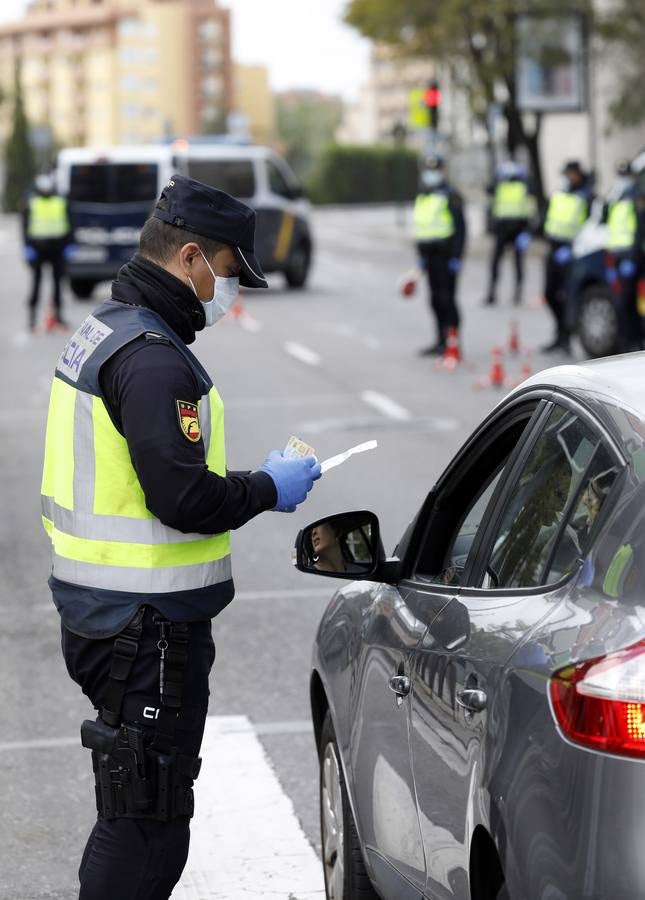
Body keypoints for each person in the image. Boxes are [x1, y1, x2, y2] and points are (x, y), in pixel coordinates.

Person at [40, 174, 322, 899]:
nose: (229, 291)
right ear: (192, 258)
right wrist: (267, 487)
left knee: (139, 808)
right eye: (229, 272)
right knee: (145, 825)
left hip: (107, 615)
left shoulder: (110, 326)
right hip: (145, 629)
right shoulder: (152, 357)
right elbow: (183, 497)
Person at [413, 155, 466, 356]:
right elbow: (421, 227)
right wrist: (420, 257)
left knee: (447, 300)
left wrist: (457, 257)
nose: (431, 173)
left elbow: (461, 229)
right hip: (429, 257)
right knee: (434, 300)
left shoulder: (450, 195)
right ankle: (440, 340)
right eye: (428, 169)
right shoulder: (423, 195)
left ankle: (453, 342)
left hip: (446, 256)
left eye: (435, 170)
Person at [541, 160, 592, 353]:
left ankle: (566, 337)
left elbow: (590, 226)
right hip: (554, 249)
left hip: (573, 252)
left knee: (567, 296)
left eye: (570, 174)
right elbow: (547, 218)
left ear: (578, 174)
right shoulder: (559, 195)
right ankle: (560, 334)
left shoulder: (586, 196)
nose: (567, 178)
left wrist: (572, 248)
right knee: (549, 294)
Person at [603, 159, 645, 351]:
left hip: (631, 257)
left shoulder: (637, 198)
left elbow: (639, 230)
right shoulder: (616, 198)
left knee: (628, 303)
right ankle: (627, 343)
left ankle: (631, 343)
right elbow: (608, 225)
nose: (623, 179)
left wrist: (633, 257)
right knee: (622, 303)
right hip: (616, 257)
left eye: (626, 176)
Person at [23, 172, 71, 332]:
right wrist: (27, 246)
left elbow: (69, 223)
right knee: (36, 283)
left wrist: (69, 244)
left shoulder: (60, 201)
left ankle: (58, 316)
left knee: (58, 284)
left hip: (57, 248)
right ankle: (32, 317)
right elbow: (24, 226)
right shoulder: (32, 202)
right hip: (38, 248)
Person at [484, 160, 535, 306]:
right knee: (495, 261)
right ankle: (492, 292)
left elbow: (531, 208)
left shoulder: (524, 186)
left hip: (518, 228)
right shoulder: (499, 185)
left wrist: (528, 231)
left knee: (518, 262)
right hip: (502, 228)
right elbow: (488, 190)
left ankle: (518, 292)